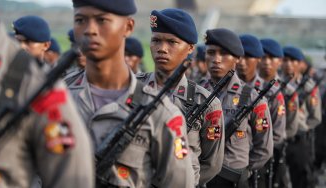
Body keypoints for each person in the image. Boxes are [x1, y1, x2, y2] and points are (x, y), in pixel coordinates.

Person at [67, 1, 194, 187]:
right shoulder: (55, 98)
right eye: (80, 20)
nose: (90, 30)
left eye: (102, 20)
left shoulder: (161, 113)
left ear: (128, 27)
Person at [0, 0, 94, 187]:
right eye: (18, 41)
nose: (22, 47)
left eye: (28, 42)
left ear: (46, 45)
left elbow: (70, 174)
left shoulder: (44, 87)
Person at [137, 8, 224, 187]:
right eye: (156, 40)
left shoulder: (206, 103)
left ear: (190, 48)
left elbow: (212, 163)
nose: (162, 49)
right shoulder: (132, 88)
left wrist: (185, 180)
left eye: (172, 42)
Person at [200, 28, 273, 188]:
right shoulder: (196, 93)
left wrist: (243, 172)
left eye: (224, 54)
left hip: (233, 178)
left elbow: (264, 148)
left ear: (237, 59)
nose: (216, 59)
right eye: (211, 52)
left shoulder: (252, 98)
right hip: (199, 178)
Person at [259, 38, 299, 188]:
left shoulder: (287, 90)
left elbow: (291, 125)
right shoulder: (246, 90)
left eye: (272, 58)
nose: (267, 62)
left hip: (277, 148)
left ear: (279, 61)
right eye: (263, 57)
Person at [282, 46, 322, 188]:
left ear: (301, 64)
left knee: (301, 178)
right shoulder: (275, 86)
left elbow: (315, 117)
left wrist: (301, 127)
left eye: (293, 61)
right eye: (285, 60)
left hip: (298, 140)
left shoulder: (308, 87)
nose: (288, 64)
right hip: (277, 140)